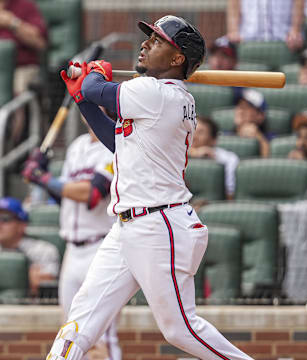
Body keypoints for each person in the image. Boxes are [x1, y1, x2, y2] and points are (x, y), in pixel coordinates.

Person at [45, 15, 254, 360]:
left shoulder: (159, 93)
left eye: (157, 41)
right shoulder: (153, 97)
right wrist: (82, 97)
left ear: (177, 60)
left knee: (179, 329)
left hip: (161, 226)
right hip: (128, 226)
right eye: (149, 38)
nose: (144, 44)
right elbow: (117, 142)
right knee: (80, 321)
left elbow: (99, 90)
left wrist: (95, 73)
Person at [22, 123, 122, 359]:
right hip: (72, 250)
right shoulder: (76, 146)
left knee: (102, 333)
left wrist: (44, 179)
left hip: (100, 246)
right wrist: (40, 177)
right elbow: (66, 197)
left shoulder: (116, 146)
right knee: (70, 331)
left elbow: (92, 194)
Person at [0, 0, 48, 146]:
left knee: (18, 93)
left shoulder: (25, 5)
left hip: (21, 68)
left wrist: (12, 23)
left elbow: (40, 43)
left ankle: (11, 147)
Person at [0, 197, 59, 296]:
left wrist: (36, 281)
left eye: (5, 219)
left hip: (30, 308)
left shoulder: (43, 250)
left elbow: (47, 289)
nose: (0, 224)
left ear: (22, 225)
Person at [189, 116, 239, 200]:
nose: (194, 136)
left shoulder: (229, 159)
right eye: (191, 131)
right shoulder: (176, 155)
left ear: (213, 139)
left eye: (200, 132)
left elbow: (230, 193)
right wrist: (192, 153)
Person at [226, 0, 305, 51]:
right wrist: (234, 30)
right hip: (248, 40)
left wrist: (295, 30)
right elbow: (234, 3)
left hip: (285, 40)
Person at [234, 88, 270, 157]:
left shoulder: (269, 139)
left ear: (260, 116)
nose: (240, 110)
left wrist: (259, 138)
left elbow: (267, 164)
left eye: (246, 107)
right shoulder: (224, 134)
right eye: (239, 106)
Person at [207, 35, 243, 105]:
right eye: (214, 55)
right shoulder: (197, 79)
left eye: (224, 56)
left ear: (234, 61)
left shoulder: (240, 88)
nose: (218, 60)